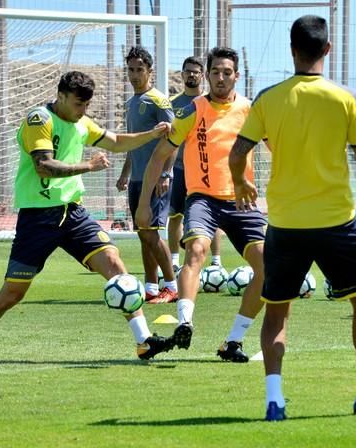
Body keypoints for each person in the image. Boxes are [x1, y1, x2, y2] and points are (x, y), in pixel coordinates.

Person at [0, 71, 175, 361]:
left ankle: (144, 341)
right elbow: (43, 166)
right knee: (12, 293)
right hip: (38, 219)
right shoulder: (40, 120)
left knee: (114, 264)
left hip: (73, 214)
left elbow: (116, 141)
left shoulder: (82, 122)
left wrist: (152, 134)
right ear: (60, 96)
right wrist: (88, 166)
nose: (83, 111)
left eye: (86, 105)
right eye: (78, 104)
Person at [229, 15, 356, 421]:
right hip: (337, 221)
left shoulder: (268, 98)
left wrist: (240, 184)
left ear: (292, 50)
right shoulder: (345, 99)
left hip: (285, 224)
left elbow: (237, 153)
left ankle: (274, 401)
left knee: (278, 312)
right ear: (328, 50)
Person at [136, 46, 267, 363]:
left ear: (236, 75)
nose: (221, 78)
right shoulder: (193, 110)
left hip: (241, 201)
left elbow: (279, 148)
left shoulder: (251, 110)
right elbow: (160, 154)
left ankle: (232, 342)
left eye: (227, 72)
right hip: (203, 199)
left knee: (269, 268)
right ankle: (185, 322)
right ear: (207, 75)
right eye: (215, 72)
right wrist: (144, 204)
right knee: (196, 250)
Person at [116, 46, 178, 304]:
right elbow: (133, 144)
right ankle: (151, 287)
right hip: (137, 180)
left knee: (151, 233)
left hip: (156, 180)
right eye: (131, 69)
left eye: (140, 69)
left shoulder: (159, 100)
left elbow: (174, 138)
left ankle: (172, 285)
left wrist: (166, 172)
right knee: (143, 234)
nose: (135, 74)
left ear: (150, 71)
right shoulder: (131, 103)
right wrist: (124, 175)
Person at [167, 56, 224, 272]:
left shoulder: (209, 102)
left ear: (203, 75)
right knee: (175, 215)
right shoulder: (172, 104)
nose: (191, 75)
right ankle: (173, 260)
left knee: (212, 216)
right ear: (182, 75)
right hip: (180, 169)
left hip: (205, 169)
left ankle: (216, 262)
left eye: (195, 71)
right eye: (187, 71)